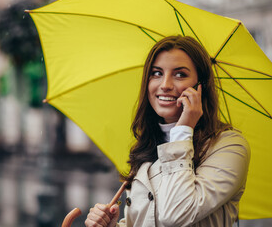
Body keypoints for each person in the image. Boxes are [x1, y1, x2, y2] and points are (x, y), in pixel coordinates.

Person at [84, 35, 250, 227]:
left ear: (200, 86)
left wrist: (183, 129)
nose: (165, 85)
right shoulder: (146, 147)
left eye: (180, 75)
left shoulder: (228, 146)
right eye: (156, 73)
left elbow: (175, 214)